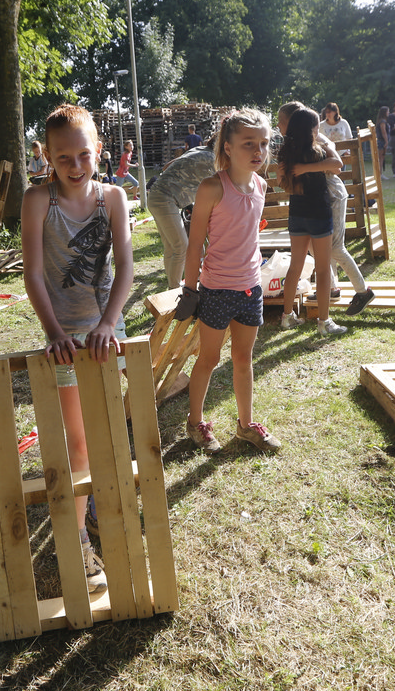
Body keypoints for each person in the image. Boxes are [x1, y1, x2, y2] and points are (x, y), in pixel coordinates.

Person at [21, 103, 133, 594]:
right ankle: (79, 540)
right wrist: (53, 332)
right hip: (64, 337)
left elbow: (126, 266)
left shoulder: (114, 197)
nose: (74, 165)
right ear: (47, 156)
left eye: (83, 154)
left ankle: (105, 509)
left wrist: (108, 323)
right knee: (79, 440)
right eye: (63, 157)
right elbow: (32, 273)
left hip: (107, 330)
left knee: (110, 426)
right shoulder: (37, 200)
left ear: (99, 151)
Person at [175, 107, 281, 455]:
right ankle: (195, 423)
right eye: (249, 143)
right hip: (216, 289)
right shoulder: (211, 188)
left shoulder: (261, 185)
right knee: (208, 359)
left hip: (251, 288)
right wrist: (190, 290)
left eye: (263, 143)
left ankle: (246, 426)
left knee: (243, 359)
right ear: (228, 147)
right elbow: (195, 245)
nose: (258, 151)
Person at [276, 105, 374, 336]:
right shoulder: (318, 151)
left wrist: (297, 174)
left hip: (296, 214)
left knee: (295, 267)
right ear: (311, 129)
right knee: (321, 270)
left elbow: (280, 181)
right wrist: (312, 168)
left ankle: (287, 317)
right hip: (319, 214)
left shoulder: (285, 153)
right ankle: (324, 323)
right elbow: (338, 165)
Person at [148, 131, 217, 287]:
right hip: (165, 198)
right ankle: (175, 289)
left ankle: (171, 286)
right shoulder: (213, 159)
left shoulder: (198, 149)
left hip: (156, 194)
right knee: (181, 247)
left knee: (171, 247)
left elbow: (166, 166)